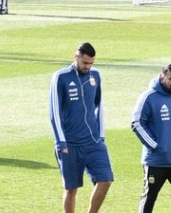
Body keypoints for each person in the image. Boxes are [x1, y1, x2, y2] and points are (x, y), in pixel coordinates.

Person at [49, 42, 113, 213]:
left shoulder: (95, 76)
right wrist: (61, 142)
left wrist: (100, 135)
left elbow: (99, 105)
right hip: (69, 144)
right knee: (71, 189)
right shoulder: (61, 77)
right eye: (85, 63)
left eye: (91, 63)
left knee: (106, 180)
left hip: (93, 142)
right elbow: (54, 112)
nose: (88, 66)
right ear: (76, 57)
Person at [131, 64, 171, 213]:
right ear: (162, 77)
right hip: (156, 162)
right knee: (149, 199)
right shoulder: (149, 97)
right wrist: (154, 145)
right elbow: (137, 123)